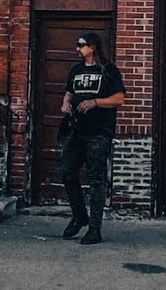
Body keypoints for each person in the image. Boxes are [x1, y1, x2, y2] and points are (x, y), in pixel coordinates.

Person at [58, 31, 126, 245]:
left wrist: (95, 102)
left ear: (93, 47)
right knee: (67, 173)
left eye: (81, 45)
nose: (77, 49)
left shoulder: (108, 69)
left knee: (96, 181)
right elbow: (69, 91)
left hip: (99, 133)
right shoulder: (76, 70)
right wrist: (65, 103)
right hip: (76, 131)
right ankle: (80, 216)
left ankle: (95, 229)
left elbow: (119, 98)